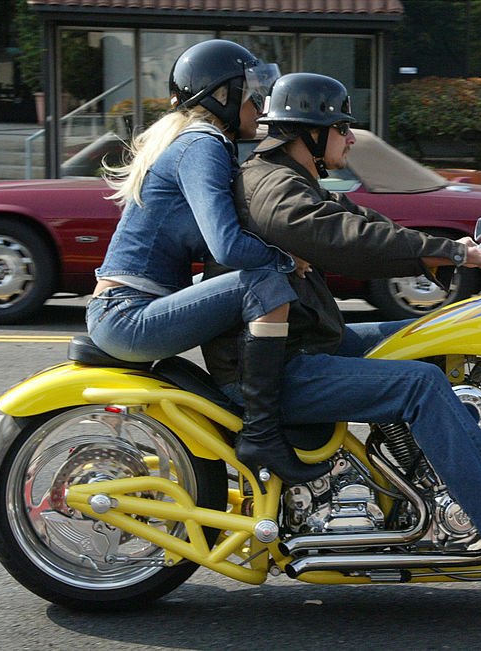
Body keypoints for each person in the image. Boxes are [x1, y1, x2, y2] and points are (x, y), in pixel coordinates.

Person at [202, 72, 481, 567]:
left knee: (432, 337)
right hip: (273, 369)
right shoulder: (274, 185)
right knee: (419, 384)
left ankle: (432, 476)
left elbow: (360, 220)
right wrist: (458, 256)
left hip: (305, 344)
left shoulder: (290, 180)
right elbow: (342, 237)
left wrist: (461, 249)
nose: (350, 138)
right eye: (341, 128)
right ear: (307, 133)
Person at [86, 40, 329, 485]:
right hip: (129, 316)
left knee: (261, 275)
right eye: (251, 90)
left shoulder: (188, 142)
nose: (260, 103)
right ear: (221, 95)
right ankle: (262, 432)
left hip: (127, 308)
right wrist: (283, 258)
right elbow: (227, 247)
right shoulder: (202, 144)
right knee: (262, 278)